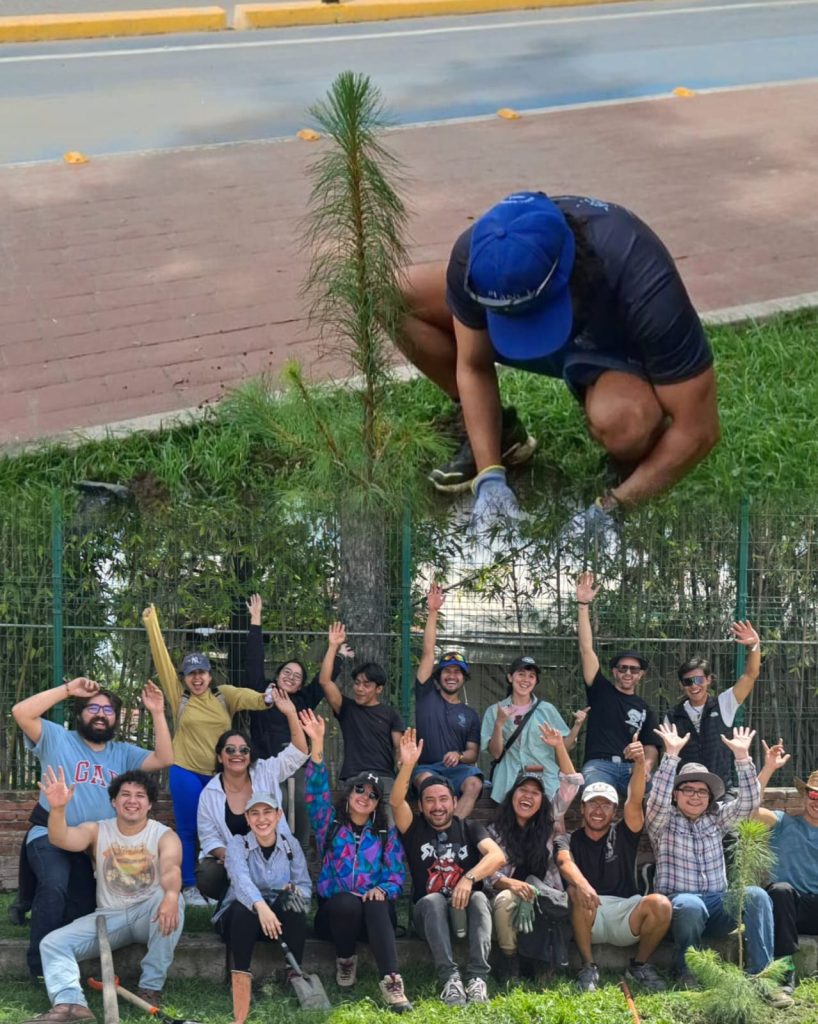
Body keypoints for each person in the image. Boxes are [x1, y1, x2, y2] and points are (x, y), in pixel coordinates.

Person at [397, 190, 718, 531]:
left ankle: (633, 458)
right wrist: (490, 477)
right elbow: (474, 366)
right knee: (395, 296)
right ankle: (501, 437)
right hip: (552, 330)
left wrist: (613, 509)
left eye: (532, 317)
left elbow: (699, 429)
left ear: (570, 269)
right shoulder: (480, 261)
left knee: (625, 423)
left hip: (610, 354)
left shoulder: (636, 267)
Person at [11, 677, 173, 981]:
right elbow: (21, 712)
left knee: (84, 904)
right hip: (49, 833)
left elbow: (165, 758)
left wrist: (157, 712)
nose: (101, 714)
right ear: (80, 713)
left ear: (115, 718)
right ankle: (40, 969)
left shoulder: (123, 752)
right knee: (55, 884)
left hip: (90, 844)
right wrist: (68, 690)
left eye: (108, 710)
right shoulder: (58, 738)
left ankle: (66, 957)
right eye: (93, 707)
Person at [142, 603, 278, 906]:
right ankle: (189, 887)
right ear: (185, 678)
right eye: (191, 674)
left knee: (224, 829)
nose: (197, 678)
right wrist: (152, 623)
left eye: (202, 672)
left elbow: (252, 698)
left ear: (210, 673)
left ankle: (237, 882)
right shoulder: (180, 697)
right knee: (189, 828)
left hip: (221, 775)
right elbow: (163, 661)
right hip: (185, 771)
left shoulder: (223, 695)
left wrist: (269, 697)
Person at [24, 767, 183, 1024]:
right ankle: (71, 1005)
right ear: (113, 801)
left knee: (172, 899)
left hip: (149, 913)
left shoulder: (164, 835)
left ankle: (150, 987)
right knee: (52, 943)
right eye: (125, 794)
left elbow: (171, 868)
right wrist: (58, 809)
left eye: (140, 796)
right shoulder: (97, 830)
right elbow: (61, 838)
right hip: (108, 918)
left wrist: (172, 896)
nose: (132, 800)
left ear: (150, 804)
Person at [645, 723, 789, 1005]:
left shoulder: (717, 819)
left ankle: (761, 979)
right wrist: (671, 756)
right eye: (688, 789)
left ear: (710, 797)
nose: (696, 795)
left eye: (702, 791)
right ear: (676, 794)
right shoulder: (662, 823)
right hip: (681, 906)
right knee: (690, 905)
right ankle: (688, 971)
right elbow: (657, 802)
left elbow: (748, 805)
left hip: (719, 904)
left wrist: (742, 759)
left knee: (757, 895)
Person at [301, 711, 412, 1012]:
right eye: (359, 789)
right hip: (336, 916)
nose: (364, 796)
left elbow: (396, 874)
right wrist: (317, 743)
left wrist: (384, 890)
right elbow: (315, 792)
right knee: (348, 902)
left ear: (378, 804)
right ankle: (345, 959)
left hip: (373, 919)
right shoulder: (330, 824)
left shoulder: (385, 834)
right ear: (349, 793)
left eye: (373, 794)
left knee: (375, 901)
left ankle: (392, 982)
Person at [391, 728, 505, 1006]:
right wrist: (408, 767)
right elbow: (395, 802)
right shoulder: (414, 829)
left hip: (466, 913)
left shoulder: (470, 827)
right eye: (429, 800)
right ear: (421, 806)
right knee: (432, 901)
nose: (437, 806)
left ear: (455, 802)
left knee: (479, 896)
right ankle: (450, 980)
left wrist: (468, 878)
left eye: (443, 799)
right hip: (427, 915)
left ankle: (477, 979)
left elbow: (496, 856)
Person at [559, 736, 671, 993]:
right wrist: (583, 885)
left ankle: (640, 965)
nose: (599, 810)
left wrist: (641, 762)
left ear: (615, 811)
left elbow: (635, 798)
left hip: (625, 913)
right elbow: (564, 863)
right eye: (593, 803)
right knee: (576, 891)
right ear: (583, 807)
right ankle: (588, 967)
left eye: (606, 804)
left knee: (661, 904)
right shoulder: (568, 839)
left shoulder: (625, 832)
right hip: (589, 915)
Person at [242, 593, 350, 845]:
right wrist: (256, 619)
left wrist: (339, 655)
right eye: (286, 672)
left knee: (300, 808)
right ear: (277, 675)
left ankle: (298, 861)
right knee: (267, 813)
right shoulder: (262, 693)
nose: (291, 677)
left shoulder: (303, 700)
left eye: (297, 676)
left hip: (297, 766)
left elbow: (323, 680)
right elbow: (253, 662)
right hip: (265, 767)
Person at [486, 727, 583, 980]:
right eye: (523, 791)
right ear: (512, 795)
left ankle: (543, 963)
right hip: (509, 893)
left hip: (544, 894)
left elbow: (571, 783)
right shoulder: (496, 830)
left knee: (551, 902)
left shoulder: (549, 822)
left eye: (535, 793)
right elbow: (490, 875)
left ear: (542, 800)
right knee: (507, 901)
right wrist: (517, 886)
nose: (528, 796)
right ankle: (510, 961)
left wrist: (559, 746)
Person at [212, 794, 311, 1024]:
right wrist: (261, 906)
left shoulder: (290, 844)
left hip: (275, 924)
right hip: (240, 922)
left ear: (278, 816)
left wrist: (294, 890)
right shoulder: (239, 844)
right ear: (247, 818)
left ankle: (294, 973)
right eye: (254, 813)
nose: (261, 819)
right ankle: (241, 978)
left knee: (293, 900)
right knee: (245, 907)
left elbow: (306, 887)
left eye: (267, 812)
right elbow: (241, 881)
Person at [195, 714, 309, 902]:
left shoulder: (266, 771)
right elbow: (208, 837)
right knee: (208, 874)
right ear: (220, 757)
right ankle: (235, 898)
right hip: (235, 859)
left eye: (243, 750)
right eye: (230, 750)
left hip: (272, 858)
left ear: (250, 755)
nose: (237, 754)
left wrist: (290, 712)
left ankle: (269, 895)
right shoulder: (209, 793)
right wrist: (230, 855)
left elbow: (298, 752)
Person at [576, 572, 660, 795]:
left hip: (632, 767)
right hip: (599, 766)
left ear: (641, 674)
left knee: (654, 796)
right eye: (623, 668)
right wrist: (583, 605)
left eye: (634, 669)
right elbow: (586, 649)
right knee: (596, 793)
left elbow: (651, 747)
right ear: (614, 671)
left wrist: (646, 767)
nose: (628, 673)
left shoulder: (644, 707)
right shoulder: (600, 690)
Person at [412, 583, 483, 819]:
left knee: (474, 784)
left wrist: (459, 755)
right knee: (429, 784)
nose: (452, 676)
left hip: (458, 771)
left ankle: (454, 831)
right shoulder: (426, 696)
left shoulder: (470, 714)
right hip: (427, 768)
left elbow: (473, 753)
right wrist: (432, 612)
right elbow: (428, 652)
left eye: (457, 672)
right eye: (447, 671)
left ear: (464, 678)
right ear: (438, 675)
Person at [754, 740, 818, 996]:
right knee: (780, 891)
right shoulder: (781, 822)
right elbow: (747, 809)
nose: (817, 800)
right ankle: (784, 969)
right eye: (813, 794)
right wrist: (769, 768)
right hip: (789, 909)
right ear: (804, 795)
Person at [664, 620, 761, 787]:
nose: (694, 686)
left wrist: (754, 645)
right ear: (682, 685)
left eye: (699, 679)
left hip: (721, 790)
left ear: (709, 680)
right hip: (686, 794)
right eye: (688, 682)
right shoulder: (672, 716)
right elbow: (667, 758)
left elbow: (750, 675)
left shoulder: (724, 703)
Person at [481, 654, 587, 803]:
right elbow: (496, 754)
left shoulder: (547, 709)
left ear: (536, 681)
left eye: (531, 676)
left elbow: (563, 748)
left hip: (545, 781)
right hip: (509, 782)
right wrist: (499, 724)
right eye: (521, 674)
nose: (526, 679)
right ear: (510, 677)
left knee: (554, 824)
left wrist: (576, 726)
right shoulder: (494, 711)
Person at [318, 622, 404, 798]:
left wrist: (404, 765)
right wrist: (333, 646)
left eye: (366, 684)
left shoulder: (391, 713)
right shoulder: (346, 707)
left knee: (388, 825)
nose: (359, 688)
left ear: (378, 689)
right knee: (350, 825)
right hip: (354, 778)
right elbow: (325, 681)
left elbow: (399, 748)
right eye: (357, 683)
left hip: (384, 779)